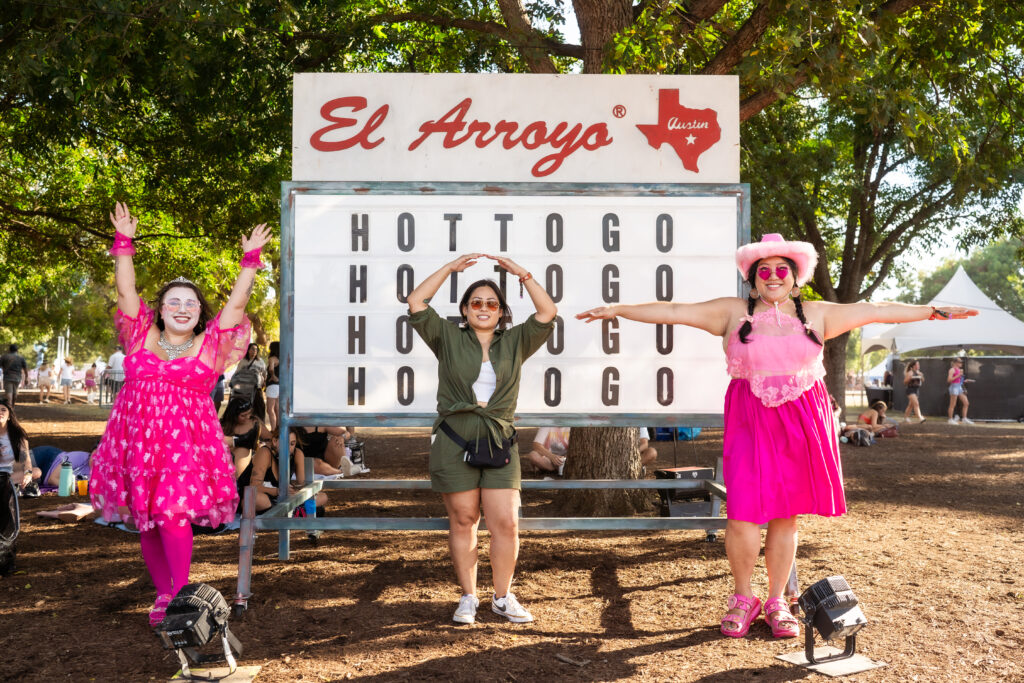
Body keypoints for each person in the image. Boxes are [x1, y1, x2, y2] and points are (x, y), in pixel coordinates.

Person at [577, 233, 976, 641]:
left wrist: (933, 311)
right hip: (750, 416)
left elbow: (874, 309)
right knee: (744, 512)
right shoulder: (731, 313)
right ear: (752, 279)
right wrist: (621, 309)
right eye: (763, 270)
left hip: (803, 418)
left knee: (787, 513)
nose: (772, 276)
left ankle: (777, 600)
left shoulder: (817, 314)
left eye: (781, 269)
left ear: (795, 277)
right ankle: (742, 597)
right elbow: (676, 310)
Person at [88, 201, 270, 627]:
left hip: (183, 444)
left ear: (199, 310)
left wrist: (250, 261)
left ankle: (182, 595)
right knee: (147, 520)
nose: (182, 307)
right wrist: (124, 243)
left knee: (171, 514)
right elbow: (125, 292)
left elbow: (238, 306)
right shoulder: (140, 334)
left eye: (190, 302)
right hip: (135, 439)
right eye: (174, 301)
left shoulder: (211, 344)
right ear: (162, 308)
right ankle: (164, 593)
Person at [409, 253, 556, 625]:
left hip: (499, 441)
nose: (484, 308)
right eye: (476, 302)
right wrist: (449, 268)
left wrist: (522, 274)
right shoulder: (446, 337)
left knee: (505, 522)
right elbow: (415, 302)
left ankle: (503, 597)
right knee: (463, 519)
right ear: (465, 309)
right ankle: (469, 597)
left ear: (502, 311)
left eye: (492, 303)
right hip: (454, 439)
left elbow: (547, 311)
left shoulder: (516, 341)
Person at [243, 428, 326, 514]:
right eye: (285, 443)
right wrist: (278, 491)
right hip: (264, 497)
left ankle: (290, 511)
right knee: (255, 499)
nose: (289, 448)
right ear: (275, 441)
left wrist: (296, 491)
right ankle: (295, 512)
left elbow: (301, 484)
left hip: (283, 499)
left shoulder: (297, 453)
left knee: (322, 497)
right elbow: (253, 487)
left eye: (292, 444)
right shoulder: (265, 453)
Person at [220, 395, 268, 478]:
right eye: (243, 415)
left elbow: (270, 438)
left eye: (249, 413)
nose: (247, 417)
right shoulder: (223, 425)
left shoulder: (254, 422)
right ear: (233, 415)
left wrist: (263, 447)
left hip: (244, 461)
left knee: (242, 449)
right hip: (224, 460)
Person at [0, 397, 32, 491]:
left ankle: (5, 484)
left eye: (3, 410)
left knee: (36, 471)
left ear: (9, 416)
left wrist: (28, 474)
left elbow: (26, 460)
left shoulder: (17, 436)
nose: (0, 412)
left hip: (10, 474)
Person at [947, 358, 974, 424]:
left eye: (961, 362)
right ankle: (950, 420)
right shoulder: (952, 370)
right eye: (960, 362)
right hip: (954, 387)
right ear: (956, 363)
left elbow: (959, 381)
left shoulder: (959, 370)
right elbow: (949, 380)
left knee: (966, 403)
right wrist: (958, 375)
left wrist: (965, 381)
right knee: (952, 404)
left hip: (959, 387)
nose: (961, 363)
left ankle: (964, 419)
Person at [265, 341, 280, 432]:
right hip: (280, 385)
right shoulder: (281, 359)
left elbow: (271, 369)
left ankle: (273, 430)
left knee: (270, 409)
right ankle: (277, 429)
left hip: (272, 385)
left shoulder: (272, 358)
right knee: (277, 408)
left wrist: (273, 376)